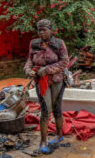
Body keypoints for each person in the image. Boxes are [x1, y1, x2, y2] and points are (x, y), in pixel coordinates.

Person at [24, 19, 69, 153]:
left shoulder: (59, 43)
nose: (42, 32)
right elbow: (29, 60)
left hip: (56, 80)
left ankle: (59, 135)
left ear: (51, 30)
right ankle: (43, 140)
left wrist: (47, 69)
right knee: (45, 110)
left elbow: (64, 61)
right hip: (40, 81)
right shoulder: (34, 43)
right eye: (40, 30)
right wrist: (27, 69)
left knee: (56, 108)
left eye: (44, 29)